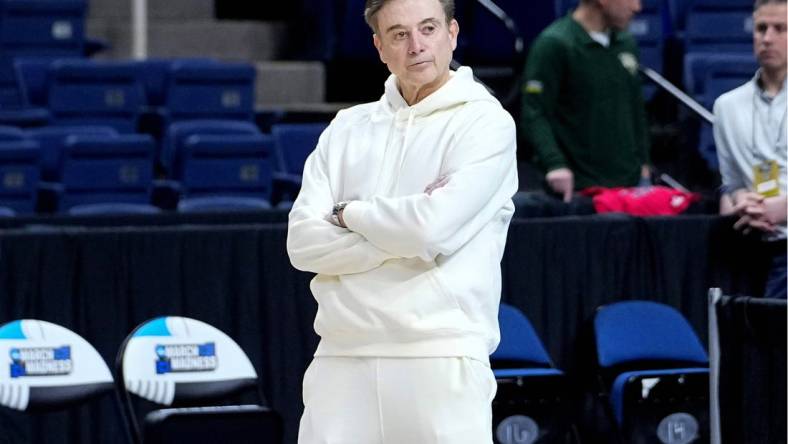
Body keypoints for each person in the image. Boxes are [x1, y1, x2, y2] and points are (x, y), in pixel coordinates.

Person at [286, 0, 518, 442]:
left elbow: (429, 229)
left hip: (441, 354)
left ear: (452, 33)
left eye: (427, 28)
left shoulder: (486, 124)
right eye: (398, 34)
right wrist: (405, 235)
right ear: (379, 47)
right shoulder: (345, 128)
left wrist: (347, 214)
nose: (416, 46)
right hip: (341, 356)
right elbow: (302, 244)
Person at [521, 0, 650, 202]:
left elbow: (636, 110)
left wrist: (644, 163)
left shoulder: (626, 43)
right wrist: (555, 164)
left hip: (631, 183)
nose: (637, 7)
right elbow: (534, 113)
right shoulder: (554, 43)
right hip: (579, 189)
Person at [714, 0, 787, 299]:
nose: (767, 38)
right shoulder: (727, 106)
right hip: (749, 245)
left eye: (780, 28)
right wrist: (742, 199)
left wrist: (783, 208)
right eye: (760, 28)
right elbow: (731, 183)